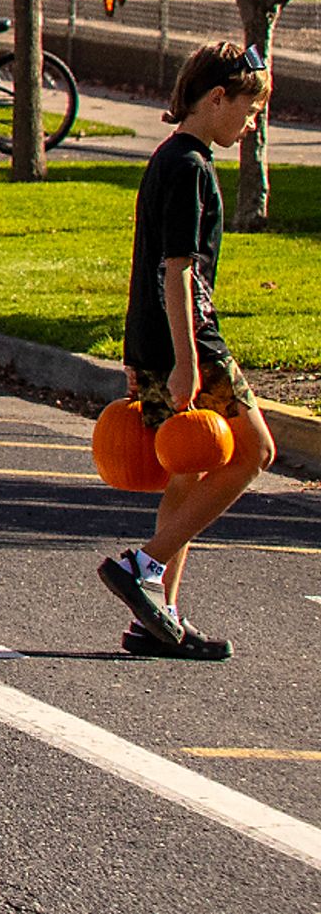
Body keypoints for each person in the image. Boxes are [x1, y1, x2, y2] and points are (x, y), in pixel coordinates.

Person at [100, 43, 280, 662]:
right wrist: (188, 362)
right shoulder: (192, 168)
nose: (252, 124)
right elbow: (177, 271)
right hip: (189, 342)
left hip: (155, 339)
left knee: (191, 470)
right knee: (255, 451)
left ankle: (160, 616)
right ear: (217, 98)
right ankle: (143, 566)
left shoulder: (171, 158)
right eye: (250, 109)